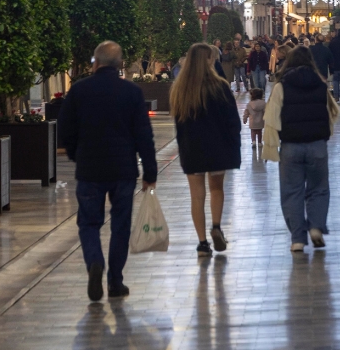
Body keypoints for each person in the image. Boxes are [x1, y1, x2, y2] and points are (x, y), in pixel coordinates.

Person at [59, 41, 157, 301]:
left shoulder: (79, 91)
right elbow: (144, 135)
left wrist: (74, 154)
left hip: (90, 168)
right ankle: (115, 281)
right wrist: (150, 171)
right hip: (123, 169)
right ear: (119, 64)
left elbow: (65, 129)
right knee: (120, 225)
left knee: (89, 223)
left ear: (96, 62)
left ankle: (94, 261)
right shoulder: (132, 92)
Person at [263, 47, 339, 252]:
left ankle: (297, 238)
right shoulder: (321, 84)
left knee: (291, 192)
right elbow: (331, 111)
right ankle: (316, 227)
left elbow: (272, 117)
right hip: (317, 144)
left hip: (290, 145)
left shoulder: (282, 86)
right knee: (319, 189)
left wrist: (270, 145)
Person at [172, 42, 241, 257]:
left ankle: (202, 243)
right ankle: (217, 227)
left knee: (196, 196)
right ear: (209, 60)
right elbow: (233, 121)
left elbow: (178, 123)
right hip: (218, 147)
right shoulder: (220, 86)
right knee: (217, 188)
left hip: (192, 148)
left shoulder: (180, 89)